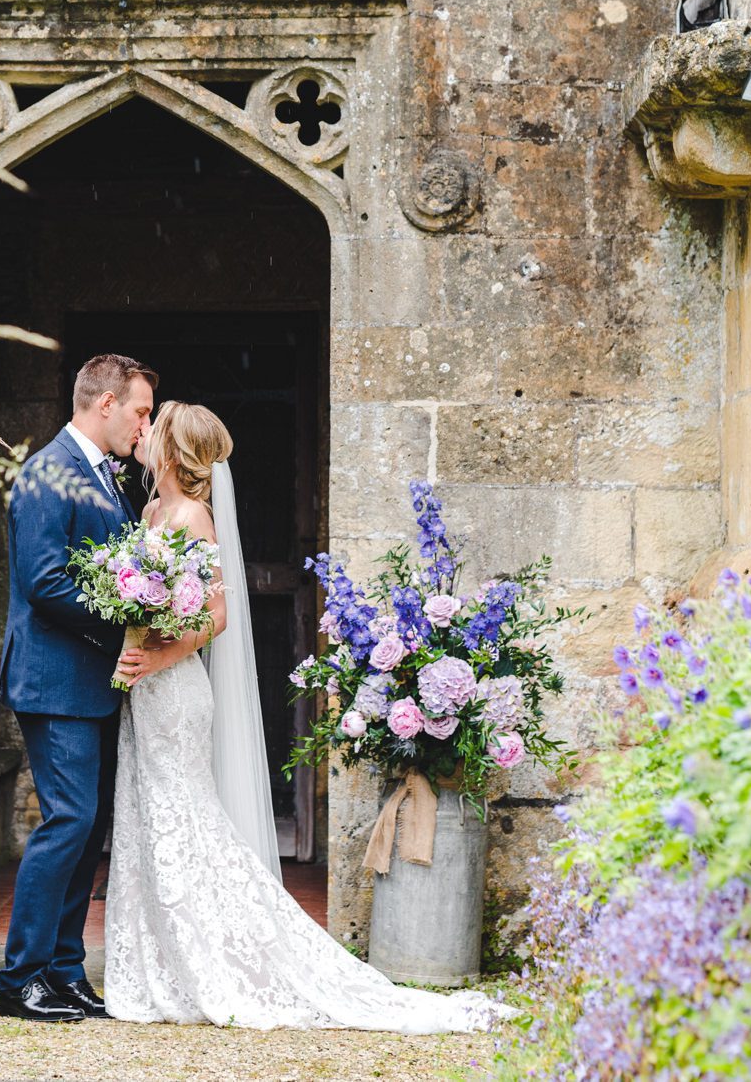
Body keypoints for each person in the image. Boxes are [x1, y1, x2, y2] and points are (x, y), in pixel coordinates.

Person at [103, 401, 515, 1033]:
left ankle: (220, 959)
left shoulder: (195, 517)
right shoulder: (151, 512)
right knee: (147, 814)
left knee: (186, 816)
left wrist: (156, 658)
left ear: (173, 451)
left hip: (176, 689)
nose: (146, 430)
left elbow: (215, 617)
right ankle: (163, 961)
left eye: (155, 428)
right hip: (146, 691)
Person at [0, 353, 156, 1022]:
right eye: (142, 410)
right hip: (56, 678)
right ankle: (19, 977)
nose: (145, 426)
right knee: (68, 822)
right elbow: (45, 582)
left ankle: (63, 970)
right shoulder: (46, 471)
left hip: (89, 683)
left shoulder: (106, 477)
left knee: (88, 830)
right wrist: (123, 629)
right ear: (106, 402)